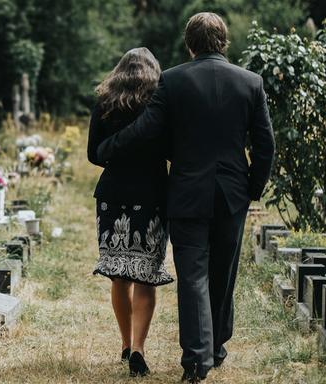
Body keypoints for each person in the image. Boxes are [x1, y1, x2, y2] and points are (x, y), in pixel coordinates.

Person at [96, 13, 275, 383]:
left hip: (187, 193)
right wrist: (251, 189)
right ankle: (216, 347)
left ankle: (196, 361)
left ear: (190, 44)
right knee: (223, 273)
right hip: (232, 194)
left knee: (193, 275)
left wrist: (108, 147)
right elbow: (265, 146)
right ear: (223, 42)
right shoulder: (251, 82)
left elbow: (146, 128)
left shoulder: (173, 80)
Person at [87, 47, 173, 378]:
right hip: (151, 194)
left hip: (112, 194)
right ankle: (139, 348)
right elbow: (170, 149)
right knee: (145, 275)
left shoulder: (106, 102)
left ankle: (124, 344)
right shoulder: (159, 103)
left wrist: (117, 155)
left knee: (118, 275)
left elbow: (94, 154)